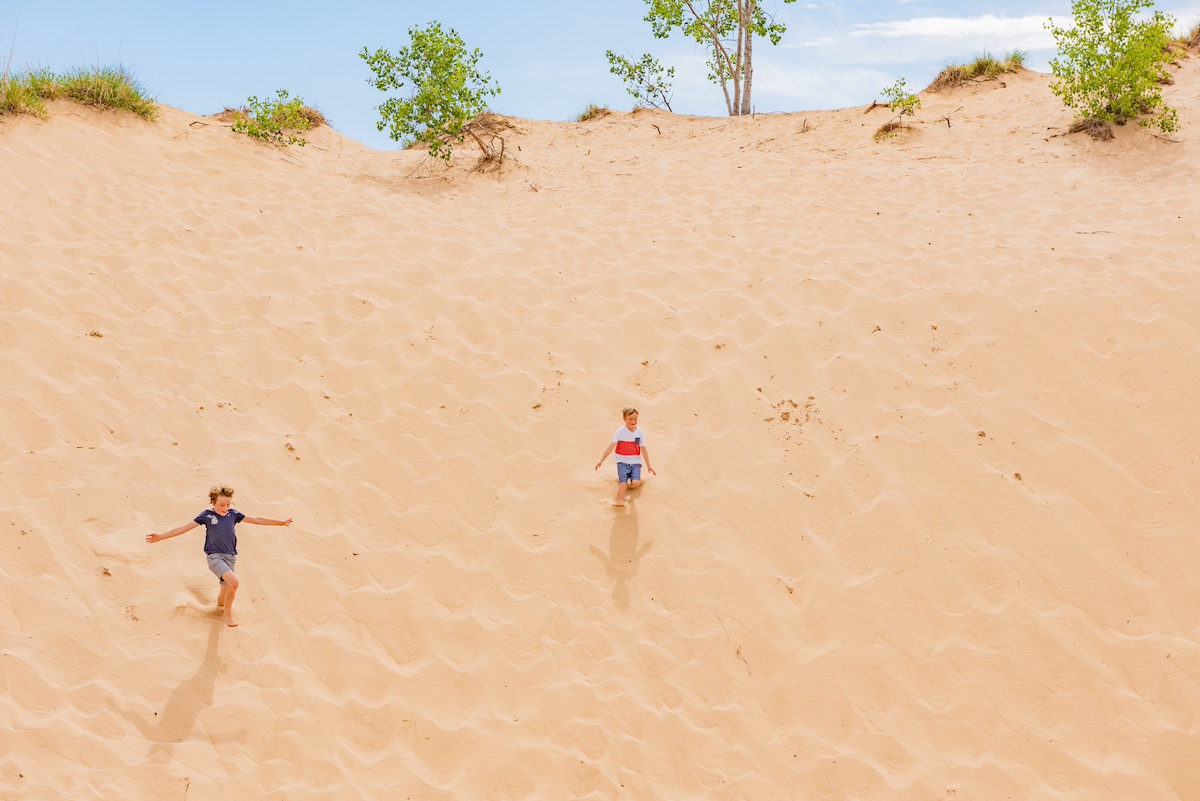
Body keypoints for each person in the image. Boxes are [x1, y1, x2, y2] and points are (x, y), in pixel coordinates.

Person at [145, 485, 292, 627]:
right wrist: (161, 536)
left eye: (227, 504)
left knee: (224, 593)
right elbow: (184, 528)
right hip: (215, 557)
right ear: (213, 503)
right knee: (234, 583)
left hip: (231, 557)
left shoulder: (233, 514)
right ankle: (226, 616)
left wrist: (279, 523)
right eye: (221, 505)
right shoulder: (207, 516)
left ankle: (218, 609)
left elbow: (257, 519)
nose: (225, 508)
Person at [595, 407, 656, 506]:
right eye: (630, 419)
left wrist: (649, 465)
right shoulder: (619, 432)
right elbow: (610, 447)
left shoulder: (640, 433)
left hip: (636, 462)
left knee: (636, 483)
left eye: (635, 419)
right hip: (622, 462)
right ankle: (619, 501)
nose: (633, 421)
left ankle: (632, 480)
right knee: (623, 484)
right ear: (624, 419)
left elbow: (644, 450)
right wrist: (601, 460)